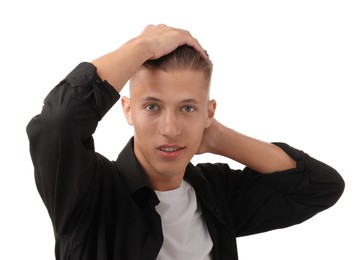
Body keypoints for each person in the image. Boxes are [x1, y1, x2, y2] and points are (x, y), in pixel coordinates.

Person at [26, 24, 345, 260]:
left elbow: (321, 187)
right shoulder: (89, 192)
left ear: (209, 113)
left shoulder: (218, 193)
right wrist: (144, 45)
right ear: (128, 110)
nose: (170, 128)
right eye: (152, 106)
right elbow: (56, 125)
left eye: (187, 108)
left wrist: (219, 137)